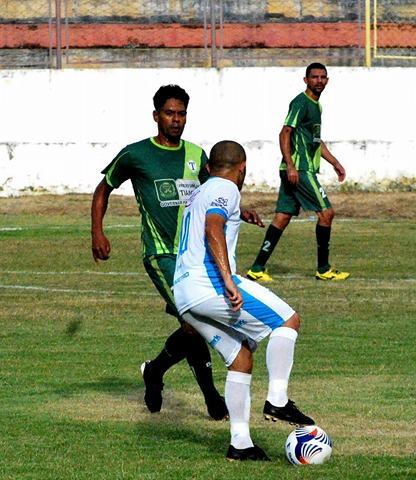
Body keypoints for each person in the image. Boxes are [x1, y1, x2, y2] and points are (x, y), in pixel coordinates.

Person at [91, 85, 229, 420]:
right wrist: (97, 231)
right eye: (170, 113)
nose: (176, 120)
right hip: (161, 254)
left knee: (196, 323)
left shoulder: (196, 154)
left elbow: (216, 191)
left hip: (194, 256)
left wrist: (240, 209)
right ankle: (211, 395)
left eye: (181, 114)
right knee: (194, 322)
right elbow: (103, 188)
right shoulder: (136, 155)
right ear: (156, 116)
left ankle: (155, 370)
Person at [173, 140, 314, 462]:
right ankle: (277, 399)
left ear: (208, 167)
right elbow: (213, 228)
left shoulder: (202, 189)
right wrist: (227, 279)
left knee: (240, 358)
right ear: (243, 168)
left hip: (184, 294)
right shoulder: (227, 188)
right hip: (210, 285)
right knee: (288, 320)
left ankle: (240, 443)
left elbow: (208, 219)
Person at [247, 62, 350, 282]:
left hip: (297, 169)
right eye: (314, 77)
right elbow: (285, 132)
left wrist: (335, 162)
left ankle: (257, 268)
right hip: (299, 170)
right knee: (326, 213)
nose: (319, 81)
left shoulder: (317, 107)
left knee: (282, 218)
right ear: (306, 80)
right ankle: (323, 269)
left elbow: (315, 141)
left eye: (323, 77)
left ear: (327, 80)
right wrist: (291, 165)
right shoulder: (301, 102)